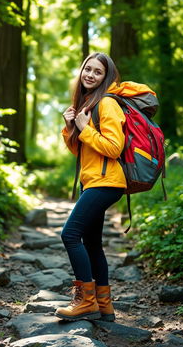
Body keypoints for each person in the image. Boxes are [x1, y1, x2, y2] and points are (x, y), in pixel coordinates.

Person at [55, 52, 127, 322]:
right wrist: (70, 127)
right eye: (88, 69)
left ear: (105, 77)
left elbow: (113, 147)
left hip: (107, 183)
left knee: (70, 234)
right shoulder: (88, 103)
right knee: (92, 243)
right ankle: (104, 306)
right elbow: (82, 151)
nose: (90, 75)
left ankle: (85, 301)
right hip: (94, 182)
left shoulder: (107, 103)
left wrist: (86, 129)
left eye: (98, 72)